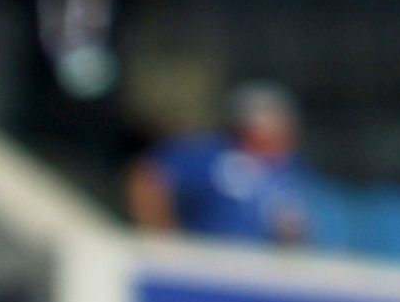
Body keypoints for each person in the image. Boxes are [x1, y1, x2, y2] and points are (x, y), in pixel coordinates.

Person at [131, 80, 315, 244]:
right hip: (209, 265)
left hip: (260, 273)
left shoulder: (292, 171)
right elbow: (148, 177)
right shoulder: (212, 156)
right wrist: (163, 241)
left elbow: (294, 229)